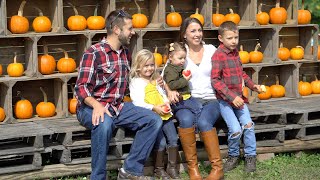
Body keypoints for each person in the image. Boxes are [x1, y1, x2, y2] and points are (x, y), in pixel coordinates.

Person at [74, 9, 162, 180]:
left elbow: (131, 84)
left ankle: (130, 170)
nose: (133, 32)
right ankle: (98, 177)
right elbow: (81, 87)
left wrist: (156, 86)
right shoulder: (93, 53)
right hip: (90, 107)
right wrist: (97, 105)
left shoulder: (125, 53)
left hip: (117, 106)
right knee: (103, 124)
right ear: (116, 30)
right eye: (129, 28)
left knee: (153, 120)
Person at [211, 21, 263, 173]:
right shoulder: (218, 56)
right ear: (221, 38)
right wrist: (232, 97)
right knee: (235, 130)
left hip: (239, 99)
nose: (234, 41)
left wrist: (253, 86)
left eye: (236, 37)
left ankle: (250, 157)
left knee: (248, 125)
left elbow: (242, 74)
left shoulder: (235, 53)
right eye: (230, 38)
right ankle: (233, 155)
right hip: (225, 101)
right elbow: (215, 80)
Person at [176, 17, 224, 180]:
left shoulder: (211, 50)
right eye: (192, 31)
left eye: (199, 30)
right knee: (186, 120)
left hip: (212, 98)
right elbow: (167, 76)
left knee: (204, 122)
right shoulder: (180, 54)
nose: (197, 34)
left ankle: (217, 168)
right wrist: (168, 91)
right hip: (188, 100)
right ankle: (193, 169)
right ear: (184, 34)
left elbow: (226, 71)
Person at [129, 49, 180, 180]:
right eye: (146, 66)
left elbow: (161, 95)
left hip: (164, 114)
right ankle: (159, 169)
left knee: (173, 139)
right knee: (161, 143)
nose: (149, 68)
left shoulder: (155, 79)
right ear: (138, 67)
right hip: (152, 116)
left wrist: (166, 103)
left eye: (151, 65)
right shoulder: (136, 82)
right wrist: (154, 108)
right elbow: (138, 102)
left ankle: (172, 168)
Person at [162, 42, 202, 121]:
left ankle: (195, 129)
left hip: (186, 97)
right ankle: (197, 131)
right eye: (180, 58)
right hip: (179, 99)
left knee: (199, 106)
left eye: (184, 58)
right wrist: (185, 79)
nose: (183, 61)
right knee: (197, 108)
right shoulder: (170, 70)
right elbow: (172, 85)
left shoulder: (178, 67)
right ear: (170, 57)